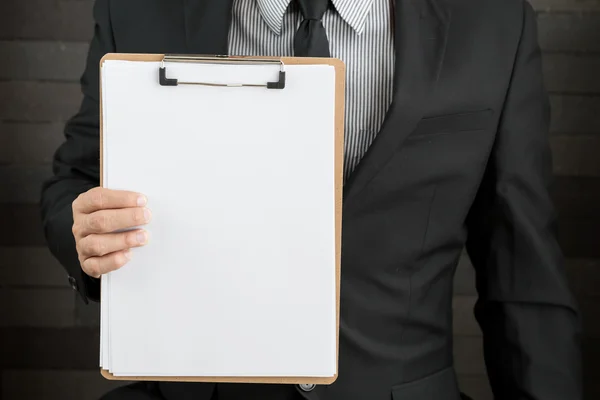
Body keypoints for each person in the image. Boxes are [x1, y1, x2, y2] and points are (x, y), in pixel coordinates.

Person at [40, 0, 582, 399]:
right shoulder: (140, 10)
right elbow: (78, 179)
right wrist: (84, 234)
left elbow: (522, 272)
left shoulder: (493, 22)